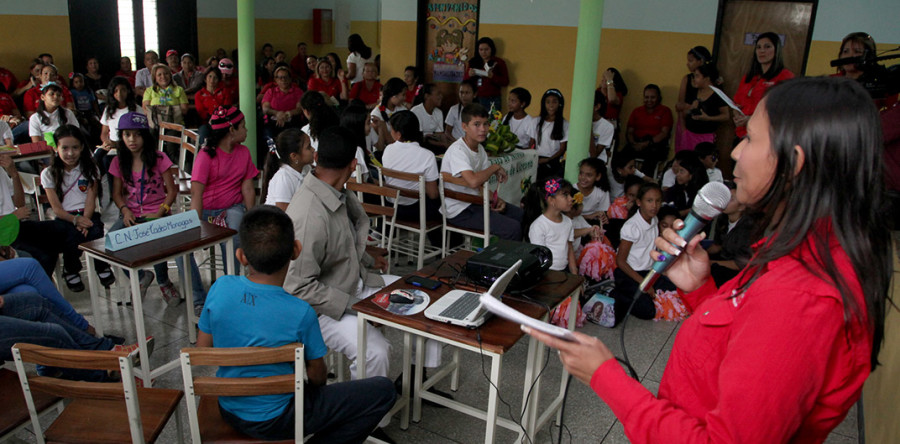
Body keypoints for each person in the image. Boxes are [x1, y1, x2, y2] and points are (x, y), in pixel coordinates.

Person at [525, 77, 891, 443]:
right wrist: (702, 289)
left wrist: (605, 376)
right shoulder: (799, 247)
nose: (735, 152)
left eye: (750, 138)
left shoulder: (800, 298)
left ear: (792, 162)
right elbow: (744, 334)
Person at [197, 206, 396, 442]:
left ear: (242, 256)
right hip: (280, 418)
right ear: (296, 250)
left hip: (229, 408)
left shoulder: (221, 287)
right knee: (383, 391)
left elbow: (203, 347)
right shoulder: (300, 311)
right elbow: (318, 375)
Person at [284, 126, 429, 440]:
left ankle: (415, 379)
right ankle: (366, 423)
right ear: (353, 165)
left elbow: (341, 248)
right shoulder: (310, 215)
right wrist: (361, 310)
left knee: (423, 299)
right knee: (375, 351)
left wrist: (366, 261)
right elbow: (297, 287)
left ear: (319, 159)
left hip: (354, 285)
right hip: (322, 309)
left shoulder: (336, 192)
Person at [108, 112, 195, 305]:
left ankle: (164, 282)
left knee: (158, 244)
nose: (132, 139)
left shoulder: (158, 158)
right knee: (111, 244)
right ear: (121, 137)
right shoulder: (118, 162)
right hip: (131, 214)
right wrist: (125, 210)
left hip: (158, 211)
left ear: (145, 136)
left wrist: (160, 212)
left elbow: (171, 191)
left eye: (137, 134)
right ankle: (140, 278)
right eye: (127, 134)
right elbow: (116, 194)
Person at [39, 125, 112, 292]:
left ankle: (101, 266)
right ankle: (71, 269)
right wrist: (75, 221)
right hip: (65, 217)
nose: (70, 153)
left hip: (87, 213)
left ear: (82, 148)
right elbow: (56, 209)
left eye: (75, 148)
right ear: (56, 148)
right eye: (64, 148)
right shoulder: (48, 174)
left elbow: (90, 200)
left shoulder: (90, 168)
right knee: (71, 235)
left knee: (95, 230)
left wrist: (84, 220)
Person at [191, 106, 258, 282]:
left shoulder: (244, 153)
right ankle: (198, 298)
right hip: (206, 212)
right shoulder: (205, 155)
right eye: (243, 126)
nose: (246, 130)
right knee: (180, 251)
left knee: (234, 235)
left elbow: (248, 188)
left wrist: (251, 218)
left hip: (231, 208)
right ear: (231, 130)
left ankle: (231, 282)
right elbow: (196, 194)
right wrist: (195, 224)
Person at [441, 103, 523, 241]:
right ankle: (503, 261)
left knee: (521, 215)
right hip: (460, 209)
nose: (483, 129)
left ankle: (523, 257)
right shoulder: (458, 150)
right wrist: (494, 167)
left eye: (485, 124)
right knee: (512, 228)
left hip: (476, 202)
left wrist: (497, 200)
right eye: (477, 124)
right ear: (464, 127)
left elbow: (479, 187)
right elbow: (473, 182)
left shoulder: (480, 150)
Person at [611, 182, 667, 323]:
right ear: (638, 202)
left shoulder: (654, 220)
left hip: (648, 272)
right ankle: (616, 294)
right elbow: (621, 261)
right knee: (647, 311)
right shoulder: (632, 226)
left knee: (674, 289)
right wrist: (644, 284)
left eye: (658, 201)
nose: (654, 205)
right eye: (649, 201)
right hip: (629, 274)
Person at [382, 111, 441, 232]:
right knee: (442, 204)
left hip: (390, 207)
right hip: (414, 211)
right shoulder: (427, 156)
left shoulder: (388, 150)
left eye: (391, 129)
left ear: (398, 134)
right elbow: (433, 194)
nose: (390, 132)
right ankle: (444, 246)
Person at [732, 32, 794, 139]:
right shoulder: (749, 77)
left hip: (765, 136)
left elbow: (784, 110)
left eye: (767, 47)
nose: (762, 51)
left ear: (776, 50)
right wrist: (737, 115)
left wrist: (751, 119)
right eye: (758, 47)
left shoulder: (785, 76)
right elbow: (737, 102)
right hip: (742, 134)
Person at [522, 177, 578, 274]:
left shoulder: (568, 222)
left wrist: (574, 274)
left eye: (570, 194)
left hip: (564, 271)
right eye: (565, 195)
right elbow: (539, 257)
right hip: (547, 272)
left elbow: (570, 248)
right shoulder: (539, 226)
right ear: (551, 200)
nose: (571, 198)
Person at [705, 181, 754, 286]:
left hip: (737, 272)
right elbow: (718, 246)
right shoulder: (722, 219)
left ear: (742, 207)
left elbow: (740, 264)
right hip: (723, 259)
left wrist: (711, 263)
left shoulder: (748, 228)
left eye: (731, 199)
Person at [142, 63, 188, 163]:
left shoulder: (178, 90)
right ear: (155, 77)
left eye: (166, 74)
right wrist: (169, 109)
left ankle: (178, 171)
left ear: (170, 75)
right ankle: (153, 166)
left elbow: (184, 110)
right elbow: (145, 110)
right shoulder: (149, 91)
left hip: (174, 124)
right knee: (151, 143)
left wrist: (160, 110)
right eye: (159, 75)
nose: (163, 77)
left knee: (171, 149)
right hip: (155, 125)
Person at [626, 84, 673, 176]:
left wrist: (646, 144)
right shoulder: (637, 111)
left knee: (650, 159)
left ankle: (643, 183)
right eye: (646, 97)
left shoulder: (665, 111)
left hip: (655, 145)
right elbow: (630, 131)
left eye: (653, 97)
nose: (649, 100)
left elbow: (664, 133)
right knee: (621, 157)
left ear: (659, 98)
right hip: (636, 143)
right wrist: (633, 143)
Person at [261, 128, 314, 210]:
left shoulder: (306, 169)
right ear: (294, 156)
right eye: (309, 147)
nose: (313, 150)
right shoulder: (284, 178)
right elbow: (283, 214)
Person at [674, 46, 712, 152]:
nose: (687, 64)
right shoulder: (687, 79)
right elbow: (679, 106)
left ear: (701, 61)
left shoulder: (712, 80)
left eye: (691, 61)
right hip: (686, 122)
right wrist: (683, 128)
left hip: (704, 129)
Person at [682, 64, 729, 148]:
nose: (694, 79)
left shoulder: (718, 95)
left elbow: (726, 116)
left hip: (705, 136)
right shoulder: (693, 92)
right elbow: (684, 113)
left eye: (697, 76)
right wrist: (691, 108)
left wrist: (708, 118)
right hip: (689, 134)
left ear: (707, 78)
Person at [532, 89, 569, 181]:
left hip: (553, 161)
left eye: (554, 102)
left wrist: (548, 160)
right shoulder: (536, 121)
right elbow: (532, 143)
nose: (551, 105)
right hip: (537, 159)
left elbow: (562, 148)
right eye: (548, 102)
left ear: (560, 104)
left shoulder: (565, 124)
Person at [464, 37, 509, 110]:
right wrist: (469, 75)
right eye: (481, 50)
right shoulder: (473, 61)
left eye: (486, 49)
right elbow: (465, 80)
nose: (483, 52)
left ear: (492, 49)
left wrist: (493, 77)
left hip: (493, 98)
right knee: (475, 120)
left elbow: (505, 81)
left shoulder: (498, 62)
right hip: (476, 97)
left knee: (493, 121)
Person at [261, 66, 303, 141]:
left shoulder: (297, 91)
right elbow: (265, 109)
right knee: (268, 138)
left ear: (290, 79)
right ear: (275, 80)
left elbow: (299, 109)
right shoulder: (270, 91)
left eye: (286, 77)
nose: (283, 80)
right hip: (273, 122)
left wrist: (286, 114)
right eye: (280, 77)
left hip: (292, 121)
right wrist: (277, 113)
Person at [370, 77, 408, 151]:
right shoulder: (376, 114)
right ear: (394, 95)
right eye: (403, 95)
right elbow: (388, 141)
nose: (405, 98)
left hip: (402, 149)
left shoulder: (403, 109)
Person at [409, 83, 448, 153]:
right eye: (438, 94)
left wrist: (448, 146)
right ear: (427, 96)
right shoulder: (416, 111)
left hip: (433, 144)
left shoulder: (439, 113)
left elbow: (440, 135)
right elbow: (420, 139)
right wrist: (444, 144)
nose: (441, 96)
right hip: (419, 145)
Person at [576, 157, 610, 224]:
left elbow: (602, 212)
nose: (583, 178)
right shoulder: (572, 189)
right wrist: (588, 216)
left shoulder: (602, 192)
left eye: (589, 175)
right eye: (581, 173)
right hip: (574, 222)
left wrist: (603, 218)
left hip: (593, 222)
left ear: (598, 177)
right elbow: (567, 216)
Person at [443, 78, 477, 144]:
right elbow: (447, 132)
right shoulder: (453, 109)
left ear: (474, 94)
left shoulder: (478, 111)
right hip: (456, 144)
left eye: (467, 93)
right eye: (461, 92)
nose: (463, 96)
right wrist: (457, 143)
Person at [589, 90, 615, 162]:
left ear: (597, 106)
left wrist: (588, 128)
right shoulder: (577, 122)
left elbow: (594, 155)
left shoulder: (607, 126)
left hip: (597, 163)